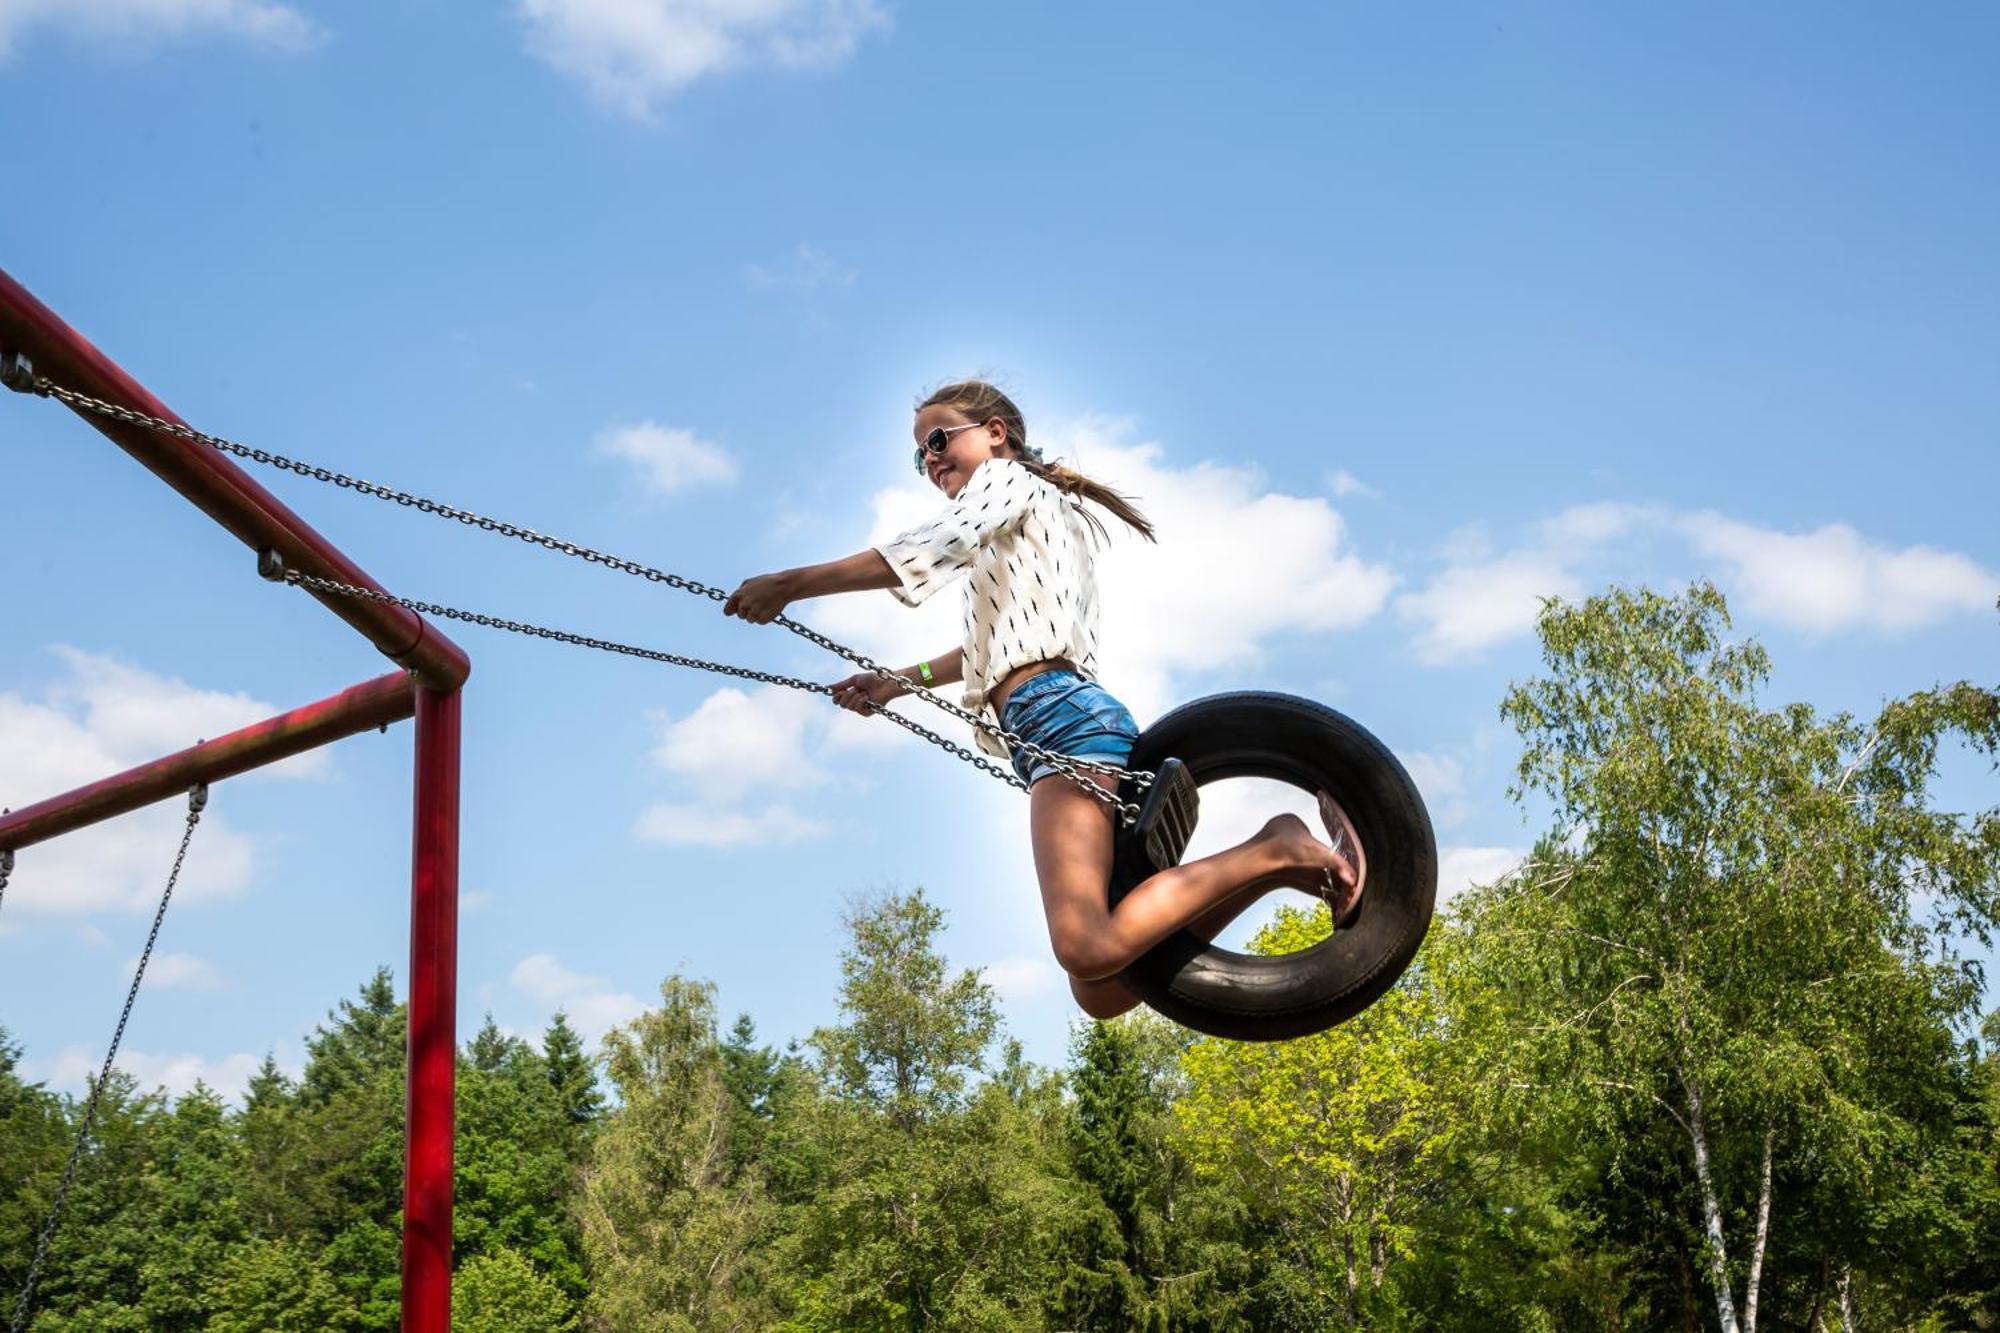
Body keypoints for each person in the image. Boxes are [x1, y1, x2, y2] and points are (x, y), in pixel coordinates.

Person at [723, 379, 1362, 1019]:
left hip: (1061, 723)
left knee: (1085, 945)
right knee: (1104, 988)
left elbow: (924, 551)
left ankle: (1275, 846)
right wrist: (896, 680)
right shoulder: (1033, 512)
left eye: (939, 440)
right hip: (1061, 721)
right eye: (920, 457)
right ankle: (1272, 864)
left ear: (995, 433)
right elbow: (997, 648)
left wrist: (789, 583)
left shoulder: (1004, 482)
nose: (931, 461)